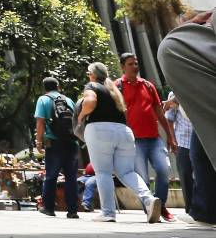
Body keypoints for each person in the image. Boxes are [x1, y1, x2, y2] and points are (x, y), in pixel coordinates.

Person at [79, 60, 161, 223]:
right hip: (123, 132)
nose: (88, 77)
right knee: (127, 172)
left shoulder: (92, 87)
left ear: (93, 75)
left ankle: (108, 213)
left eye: (89, 74)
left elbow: (90, 102)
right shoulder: (114, 90)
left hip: (100, 131)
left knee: (103, 172)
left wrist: (81, 116)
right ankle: (149, 199)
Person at [157, 9, 216, 225]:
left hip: (197, 120)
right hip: (196, 122)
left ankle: (204, 211)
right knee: (199, 158)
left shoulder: (183, 46)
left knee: (199, 157)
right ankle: (204, 211)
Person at [116, 53, 176, 222]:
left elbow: (159, 111)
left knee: (164, 169)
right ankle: (150, 209)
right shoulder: (117, 87)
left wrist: (170, 136)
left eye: (136, 63)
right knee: (142, 178)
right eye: (130, 64)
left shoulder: (148, 86)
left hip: (154, 138)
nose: (135, 66)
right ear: (123, 66)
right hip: (133, 142)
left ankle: (161, 205)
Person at [34, 76, 80, 218]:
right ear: (58, 86)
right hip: (72, 142)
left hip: (54, 143)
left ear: (44, 88)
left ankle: (48, 208)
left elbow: (40, 122)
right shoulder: (69, 100)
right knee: (71, 177)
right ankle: (72, 211)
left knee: (51, 176)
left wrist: (39, 142)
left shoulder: (43, 99)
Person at [164, 91, 194, 215]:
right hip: (183, 141)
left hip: (203, 141)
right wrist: (173, 140)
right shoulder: (174, 93)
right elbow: (169, 119)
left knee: (204, 175)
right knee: (185, 175)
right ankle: (191, 209)